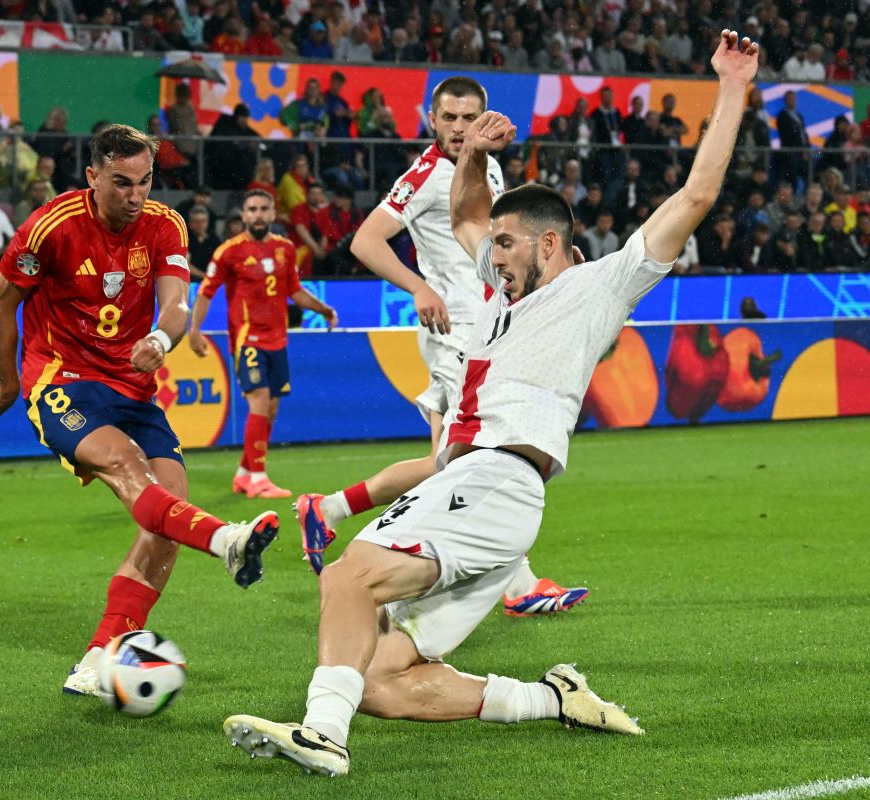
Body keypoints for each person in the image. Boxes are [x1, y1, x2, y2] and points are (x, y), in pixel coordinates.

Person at [226, 31, 760, 778]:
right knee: (379, 679)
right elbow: (466, 211)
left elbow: (696, 195)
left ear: (550, 245)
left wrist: (732, 86)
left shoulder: (596, 288)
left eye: (505, 245)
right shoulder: (499, 293)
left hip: (496, 477)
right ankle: (552, 698)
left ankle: (323, 734)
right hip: (479, 490)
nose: (491, 256)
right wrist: (472, 152)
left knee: (346, 578)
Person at [0, 124, 280, 697]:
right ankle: (225, 540)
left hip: (136, 387)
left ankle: (98, 658)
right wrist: (7, 385)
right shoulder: (51, 226)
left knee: (167, 519)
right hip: (63, 381)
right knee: (128, 468)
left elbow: (176, 304)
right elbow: (0, 305)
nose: (135, 195)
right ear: (92, 176)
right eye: (122, 183)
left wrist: (161, 341)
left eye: (145, 182)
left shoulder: (165, 225)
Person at [295, 76, 581, 618]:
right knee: (482, 454)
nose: (459, 128)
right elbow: (365, 241)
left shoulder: (485, 167)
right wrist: (420, 288)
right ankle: (515, 585)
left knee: (449, 462)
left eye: (469, 118)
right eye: (449, 118)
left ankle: (329, 510)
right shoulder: (424, 174)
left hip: (485, 332)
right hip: (456, 335)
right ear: (432, 120)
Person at [187, 190, 337, 498]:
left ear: (272, 213)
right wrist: (194, 330)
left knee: (270, 409)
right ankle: (258, 478)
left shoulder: (285, 248)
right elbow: (205, 291)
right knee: (259, 400)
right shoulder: (229, 252)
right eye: (252, 209)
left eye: (263, 209)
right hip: (248, 340)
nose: (257, 214)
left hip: (277, 340)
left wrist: (324, 309)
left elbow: (295, 291)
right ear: (244, 215)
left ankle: (244, 473)